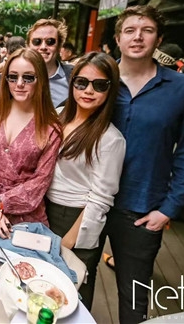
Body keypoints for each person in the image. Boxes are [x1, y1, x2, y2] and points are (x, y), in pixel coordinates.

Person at [105, 5, 184, 323]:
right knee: (75, 283)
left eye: (146, 31)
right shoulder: (99, 80)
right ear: (118, 39)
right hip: (88, 201)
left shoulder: (183, 88)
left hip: (142, 208)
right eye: (130, 31)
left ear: (158, 39)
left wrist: (168, 209)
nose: (138, 37)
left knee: (133, 300)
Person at [45, 52, 126, 310]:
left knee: (72, 291)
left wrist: (70, 239)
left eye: (99, 84)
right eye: (81, 82)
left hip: (76, 218)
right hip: (44, 211)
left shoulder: (111, 139)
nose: (88, 90)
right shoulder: (58, 115)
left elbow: (101, 198)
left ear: (110, 89)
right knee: (43, 285)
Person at [0, 48, 62, 242]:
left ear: (41, 80)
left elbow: (40, 181)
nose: (19, 84)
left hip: (25, 218)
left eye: (28, 77)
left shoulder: (51, 127)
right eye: (13, 76)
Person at [27, 19, 73, 108]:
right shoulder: (14, 77)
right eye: (37, 41)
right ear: (28, 46)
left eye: (50, 41)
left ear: (59, 46)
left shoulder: (73, 76)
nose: (43, 47)